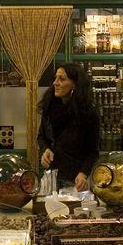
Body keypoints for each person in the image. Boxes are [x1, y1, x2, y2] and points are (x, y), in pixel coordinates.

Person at [37, 63, 100, 191]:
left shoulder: (88, 113)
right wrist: (45, 150)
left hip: (76, 180)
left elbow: (93, 151)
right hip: (51, 177)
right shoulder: (49, 106)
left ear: (75, 84)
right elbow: (41, 136)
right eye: (55, 78)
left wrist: (83, 173)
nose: (55, 83)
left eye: (62, 79)